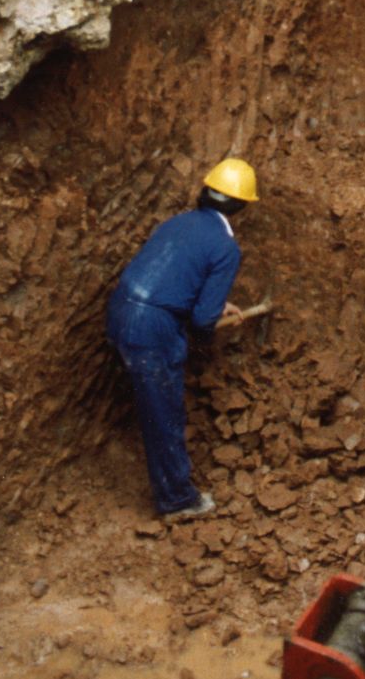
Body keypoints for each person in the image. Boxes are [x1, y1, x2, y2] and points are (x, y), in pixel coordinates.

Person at [106, 157, 258, 520]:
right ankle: (177, 500)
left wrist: (211, 302)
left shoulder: (178, 222)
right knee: (166, 414)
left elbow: (172, 273)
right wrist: (206, 327)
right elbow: (203, 319)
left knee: (153, 402)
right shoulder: (225, 247)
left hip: (120, 309)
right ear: (240, 206)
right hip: (152, 328)